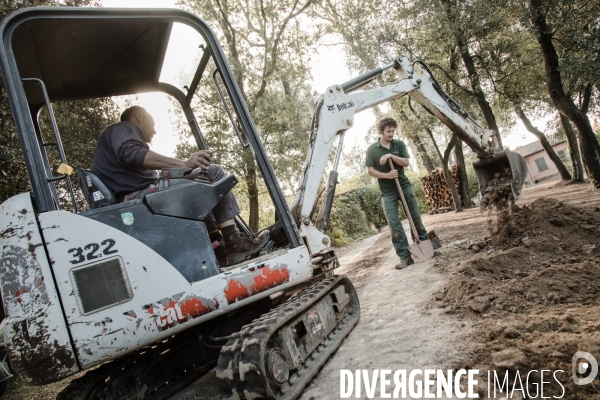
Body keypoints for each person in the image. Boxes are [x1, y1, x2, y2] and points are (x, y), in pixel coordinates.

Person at [92, 105, 268, 267]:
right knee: (212, 173)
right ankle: (233, 240)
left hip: (139, 195)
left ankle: (217, 246)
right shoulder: (122, 129)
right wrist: (184, 164)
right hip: (138, 198)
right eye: (152, 124)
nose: (154, 130)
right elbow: (132, 154)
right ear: (138, 117)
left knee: (199, 182)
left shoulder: (122, 140)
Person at [365, 117, 429, 270]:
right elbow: (370, 170)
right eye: (388, 131)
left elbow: (406, 162)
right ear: (381, 131)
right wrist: (387, 175)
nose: (391, 134)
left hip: (404, 186)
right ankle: (405, 257)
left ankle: (426, 247)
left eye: (393, 131)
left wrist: (391, 156)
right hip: (387, 191)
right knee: (394, 222)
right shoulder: (372, 149)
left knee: (415, 217)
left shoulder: (398, 144)